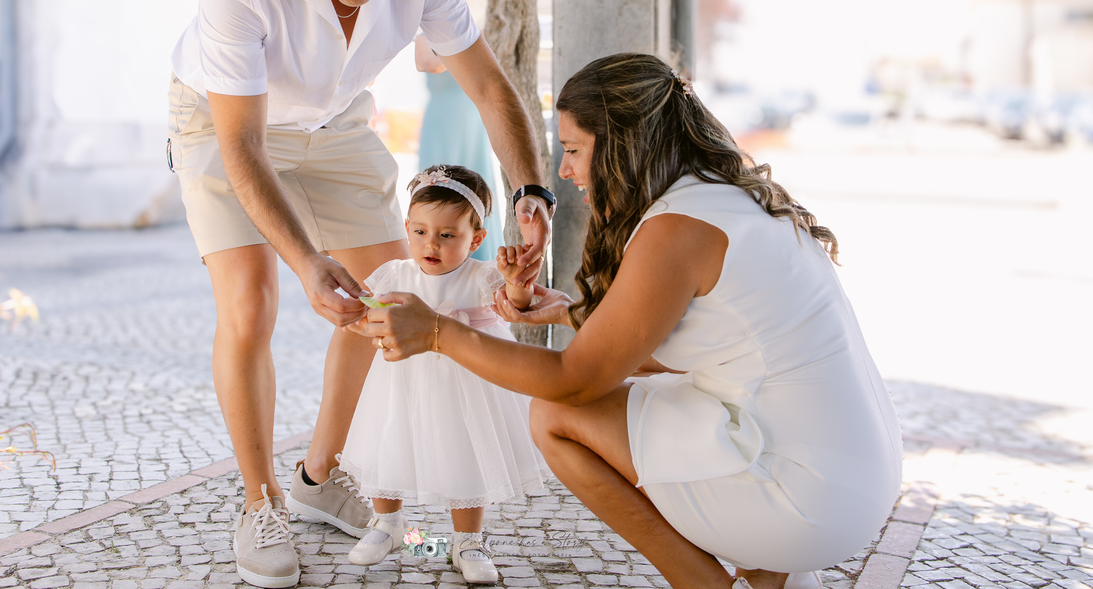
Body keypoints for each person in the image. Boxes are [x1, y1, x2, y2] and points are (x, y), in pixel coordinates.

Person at [358, 53, 904, 589]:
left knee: (553, 415)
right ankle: (773, 572)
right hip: (851, 476)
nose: (565, 169)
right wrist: (574, 315)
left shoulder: (676, 228)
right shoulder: (724, 198)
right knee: (646, 392)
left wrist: (437, 332)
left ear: (622, 144)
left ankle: (708, 581)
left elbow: (573, 381)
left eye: (573, 149)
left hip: (802, 495)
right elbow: (689, 350)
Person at [166, 0, 553, 588]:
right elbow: (243, 147)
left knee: (384, 294)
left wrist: (530, 191)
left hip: (335, 121)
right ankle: (260, 501)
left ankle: (317, 476)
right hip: (226, 121)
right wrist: (307, 262)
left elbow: (487, 83)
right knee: (252, 301)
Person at [338, 164, 548, 583]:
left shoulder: (482, 276)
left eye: (447, 235)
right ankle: (389, 525)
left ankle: (467, 539)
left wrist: (518, 280)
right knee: (389, 440)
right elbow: (363, 315)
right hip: (400, 381)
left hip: (465, 382)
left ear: (477, 238)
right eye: (419, 231)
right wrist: (361, 321)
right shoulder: (395, 274)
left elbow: (516, 303)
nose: (430, 243)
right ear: (407, 228)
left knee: (464, 451)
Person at [414, 35, 505, 260]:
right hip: (442, 120)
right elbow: (430, 64)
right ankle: (438, 251)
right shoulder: (423, 38)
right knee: (437, 186)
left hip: (470, 118)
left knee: (477, 183)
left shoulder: (472, 33)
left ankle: (479, 255)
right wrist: (462, 50)